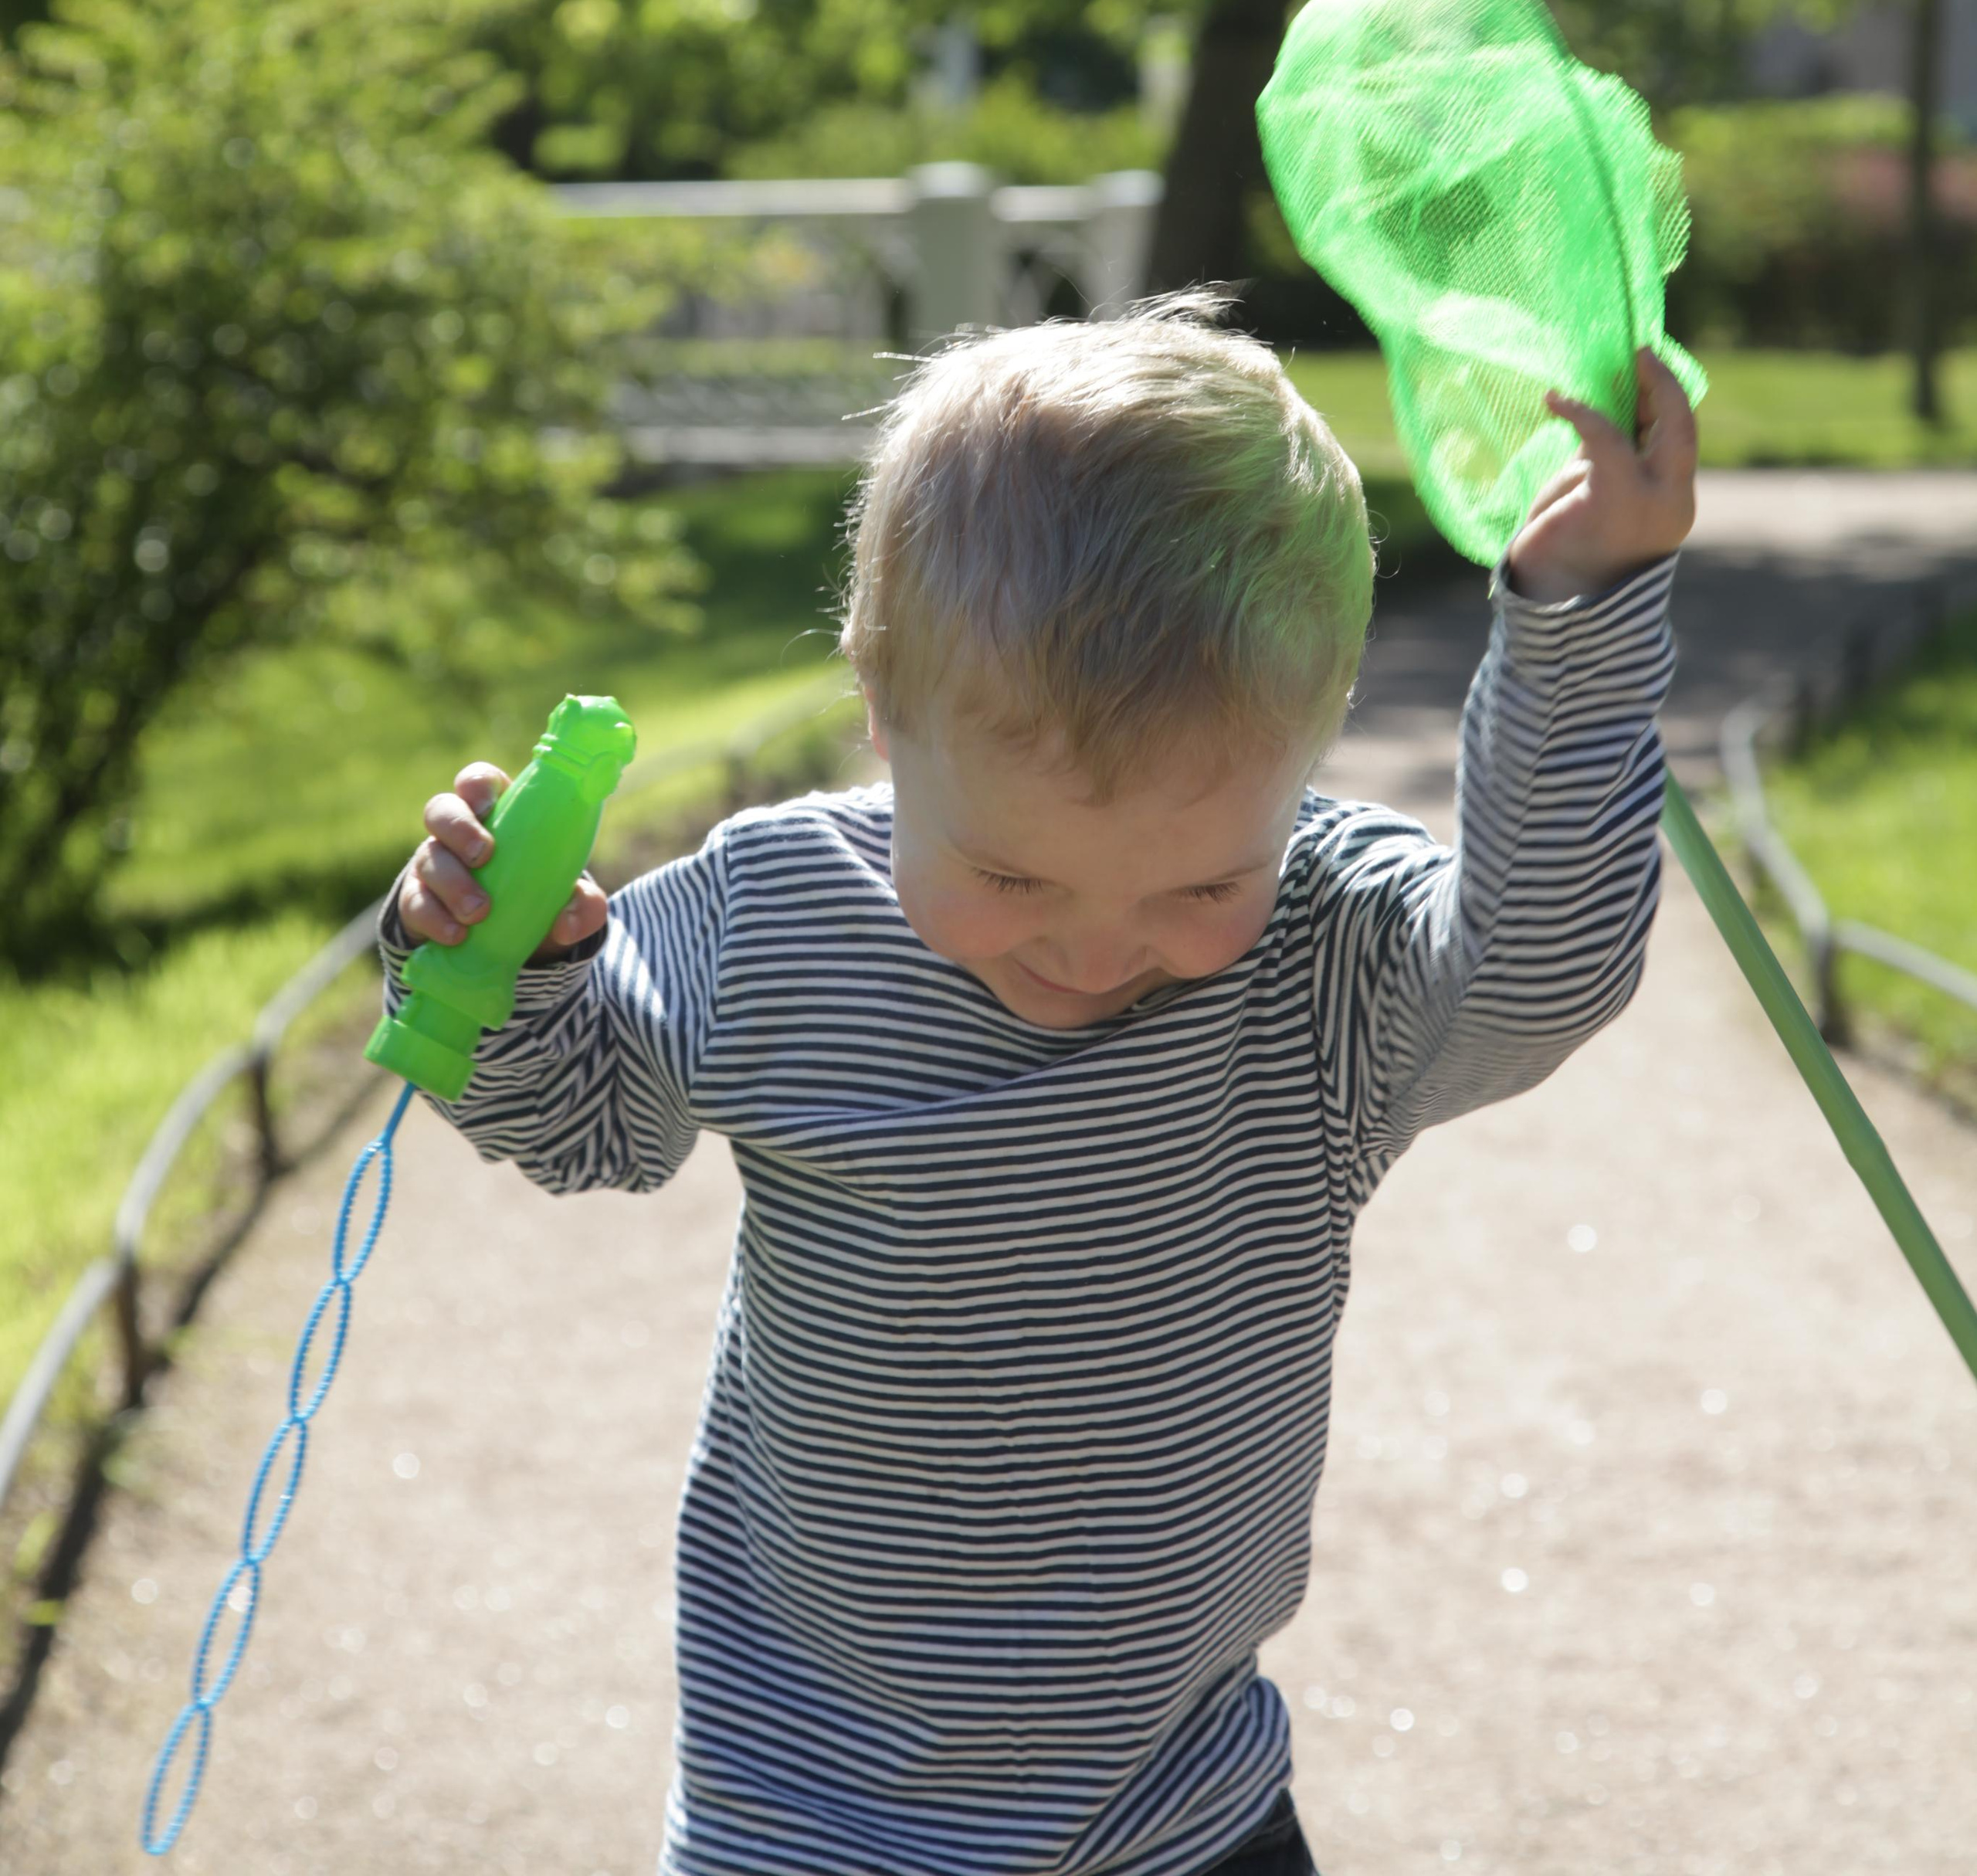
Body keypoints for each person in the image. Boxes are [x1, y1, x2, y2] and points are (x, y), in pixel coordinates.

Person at [381, 294, 1697, 1876]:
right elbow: (581, 1119)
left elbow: (1540, 969)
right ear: (879, 704)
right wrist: (499, 965)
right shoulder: (776, 916)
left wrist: (1581, 614)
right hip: (808, 1818)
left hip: (1178, 1812)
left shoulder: (1315, 956)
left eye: (1193, 888)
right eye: (1007, 871)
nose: (1089, 950)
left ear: (1305, 752)